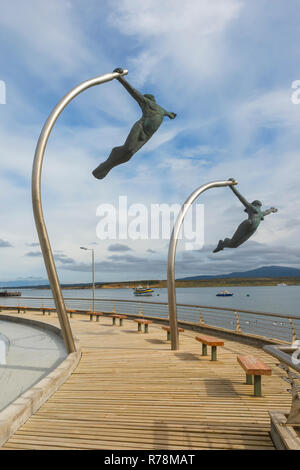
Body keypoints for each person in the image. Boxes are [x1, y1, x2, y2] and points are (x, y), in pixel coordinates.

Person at [92, 67, 177, 180]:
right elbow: (133, 91)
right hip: (140, 127)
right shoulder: (146, 103)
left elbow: (167, 113)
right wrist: (121, 79)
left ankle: (107, 167)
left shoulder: (161, 109)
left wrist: (170, 114)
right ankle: (109, 160)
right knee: (127, 148)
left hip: (147, 135)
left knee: (129, 155)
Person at [213, 179, 278, 253]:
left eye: (260, 205)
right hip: (247, 224)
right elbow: (240, 197)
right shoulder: (252, 208)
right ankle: (223, 243)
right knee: (233, 242)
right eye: (258, 204)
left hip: (252, 229)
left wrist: (272, 210)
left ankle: (223, 244)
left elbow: (267, 212)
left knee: (235, 245)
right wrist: (231, 186)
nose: (260, 205)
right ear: (255, 204)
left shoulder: (260, 213)